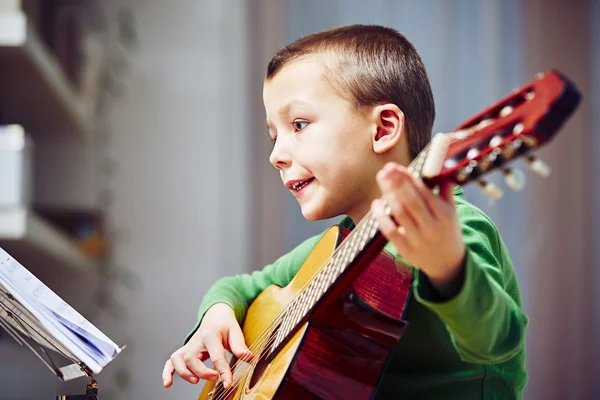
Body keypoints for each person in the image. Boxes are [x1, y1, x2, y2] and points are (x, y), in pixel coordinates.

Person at [162, 24, 528, 399]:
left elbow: (498, 341)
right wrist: (217, 314)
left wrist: (448, 265)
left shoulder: (452, 229)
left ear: (383, 129)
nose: (276, 156)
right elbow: (240, 286)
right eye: (275, 136)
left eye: (299, 125)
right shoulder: (335, 248)